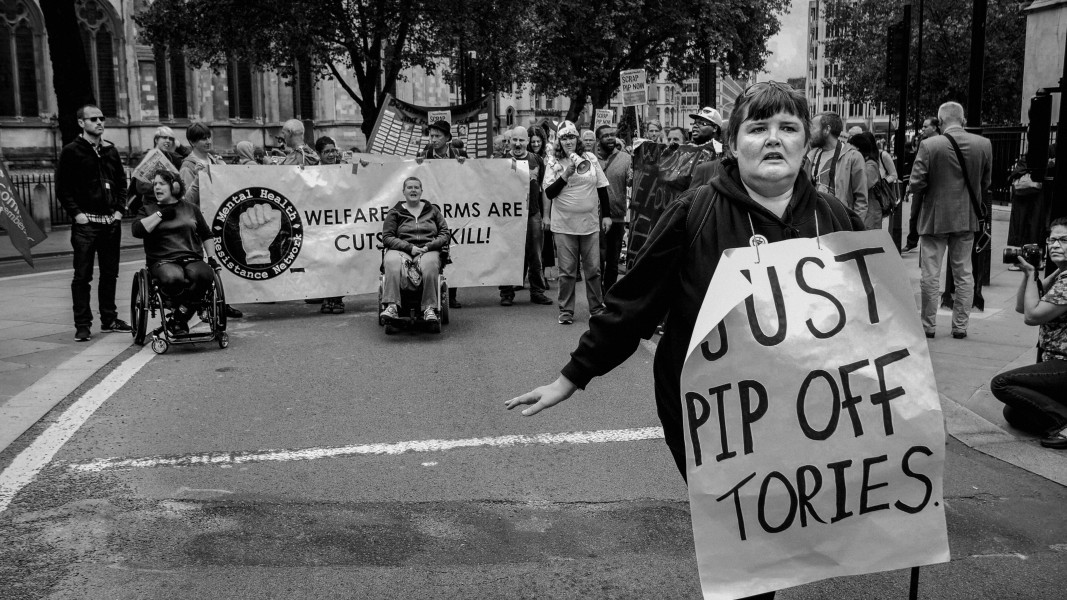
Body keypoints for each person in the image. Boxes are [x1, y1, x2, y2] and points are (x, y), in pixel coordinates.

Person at [506, 82, 864, 600]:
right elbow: (632, 304)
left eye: (787, 128)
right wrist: (572, 377)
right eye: (757, 128)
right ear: (733, 142)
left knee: (786, 530)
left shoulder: (832, 217)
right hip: (713, 418)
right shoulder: (695, 212)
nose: (772, 140)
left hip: (805, 413)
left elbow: (870, 321)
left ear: (807, 141)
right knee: (742, 541)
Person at [909, 101, 992, 340]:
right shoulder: (983, 144)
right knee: (964, 272)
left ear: (941, 121)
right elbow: (985, 183)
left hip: (935, 217)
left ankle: (928, 325)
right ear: (963, 120)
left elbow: (916, 183)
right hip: (966, 217)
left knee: (930, 274)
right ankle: (960, 327)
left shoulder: (929, 145)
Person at [56, 104, 132, 341]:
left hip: (110, 222)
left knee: (110, 274)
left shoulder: (110, 150)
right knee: (82, 276)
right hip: (86, 224)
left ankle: (109, 319)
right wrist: (77, 213)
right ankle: (83, 324)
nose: (99, 122)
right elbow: (62, 187)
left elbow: (121, 182)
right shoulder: (71, 151)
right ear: (81, 123)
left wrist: (119, 211)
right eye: (93, 119)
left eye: (101, 118)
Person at [991, 217, 1067, 449]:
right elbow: (1021, 306)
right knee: (1013, 412)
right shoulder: (1059, 275)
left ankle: (1063, 423)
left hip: (1064, 363)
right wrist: (1029, 274)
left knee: (1001, 384)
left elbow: (1032, 317)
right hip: (1055, 362)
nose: (1055, 245)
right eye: (1052, 240)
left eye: (1064, 240)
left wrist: (1034, 272)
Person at [131, 169, 216, 335]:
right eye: (155, 184)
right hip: (162, 260)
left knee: (205, 275)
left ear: (175, 187)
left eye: (162, 183)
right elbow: (137, 230)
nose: (157, 187)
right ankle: (181, 316)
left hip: (191, 257)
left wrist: (211, 257)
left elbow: (206, 234)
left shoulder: (191, 209)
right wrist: (160, 214)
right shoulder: (148, 209)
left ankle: (179, 317)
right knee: (173, 278)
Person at [543, 120, 611, 325]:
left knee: (593, 269)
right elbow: (549, 192)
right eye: (564, 138)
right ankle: (566, 311)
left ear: (577, 139)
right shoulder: (553, 162)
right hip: (564, 225)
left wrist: (606, 215)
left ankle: (596, 308)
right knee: (567, 271)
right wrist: (566, 174)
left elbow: (601, 187)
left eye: (571, 136)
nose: (568, 141)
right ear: (559, 142)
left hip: (589, 224)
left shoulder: (590, 158)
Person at [179, 122, 243, 319]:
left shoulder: (215, 160)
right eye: (202, 138)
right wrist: (200, 178)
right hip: (203, 223)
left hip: (222, 221)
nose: (207, 141)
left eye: (208, 137)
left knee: (225, 259)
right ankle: (207, 304)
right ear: (192, 142)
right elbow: (186, 201)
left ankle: (225, 300)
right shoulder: (188, 166)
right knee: (208, 262)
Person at [379, 177, 450, 323]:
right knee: (391, 261)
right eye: (409, 187)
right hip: (402, 249)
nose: (413, 190)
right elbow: (387, 237)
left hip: (427, 249)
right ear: (403, 192)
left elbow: (445, 234)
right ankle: (392, 306)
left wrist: (428, 247)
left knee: (430, 265)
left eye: (416, 187)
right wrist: (409, 248)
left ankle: (429, 308)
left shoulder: (432, 210)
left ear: (421, 191)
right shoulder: (395, 212)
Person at [499, 126, 552, 306]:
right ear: (510, 141)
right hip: (508, 217)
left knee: (535, 255)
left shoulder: (537, 160)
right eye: (515, 140)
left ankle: (537, 291)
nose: (518, 143)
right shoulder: (500, 162)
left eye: (522, 140)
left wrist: (546, 216)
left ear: (527, 141)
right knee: (507, 253)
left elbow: (544, 189)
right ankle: (506, 293)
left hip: (533, 214)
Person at [419, 120, 467, 308]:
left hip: (454, 207)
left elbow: (471, 177)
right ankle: (432, 292)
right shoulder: (424, 154)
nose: (434, 139)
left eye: (438, 136)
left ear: (447, 138)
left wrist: (465, 165)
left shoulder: (458, 154)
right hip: (432, 210)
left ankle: (451, 295)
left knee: (452, 249)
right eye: (431, 136)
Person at [807, 111, 868, 223]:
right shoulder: (811, 155)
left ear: (826, 130)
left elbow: (861, 200)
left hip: (840, 225)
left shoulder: (853, 157)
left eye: (812, 128)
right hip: (814, 223)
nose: (809, 133)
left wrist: (854, 228)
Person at [594, 124, 631, 293]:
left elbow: (631, 183)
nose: (610, 138)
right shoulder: (590, 159)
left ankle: (609, 294)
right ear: (598, 140)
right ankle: (597, 295)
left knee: (613, 261)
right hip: (594, 217)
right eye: (605, 135)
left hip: (616, 216)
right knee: (597, 260)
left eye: (612, 135)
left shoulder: (626, 158)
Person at [903, 117, 941, 253]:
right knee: (915, 213)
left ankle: (922, 241)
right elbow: (917, 164)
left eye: (926, 127)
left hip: (934, 184)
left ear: (934, 127)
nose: (923, 129)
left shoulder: (941, 142)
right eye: (923, 127)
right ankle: (912, 241)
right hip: (921, 184)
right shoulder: (922, 142)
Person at [849, 131, 890, 230]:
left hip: (871, 211)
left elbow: (862, 186)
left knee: (869, 240)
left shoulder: (870, 165)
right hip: (867, 210)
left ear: (858, 149)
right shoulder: (864, 163)